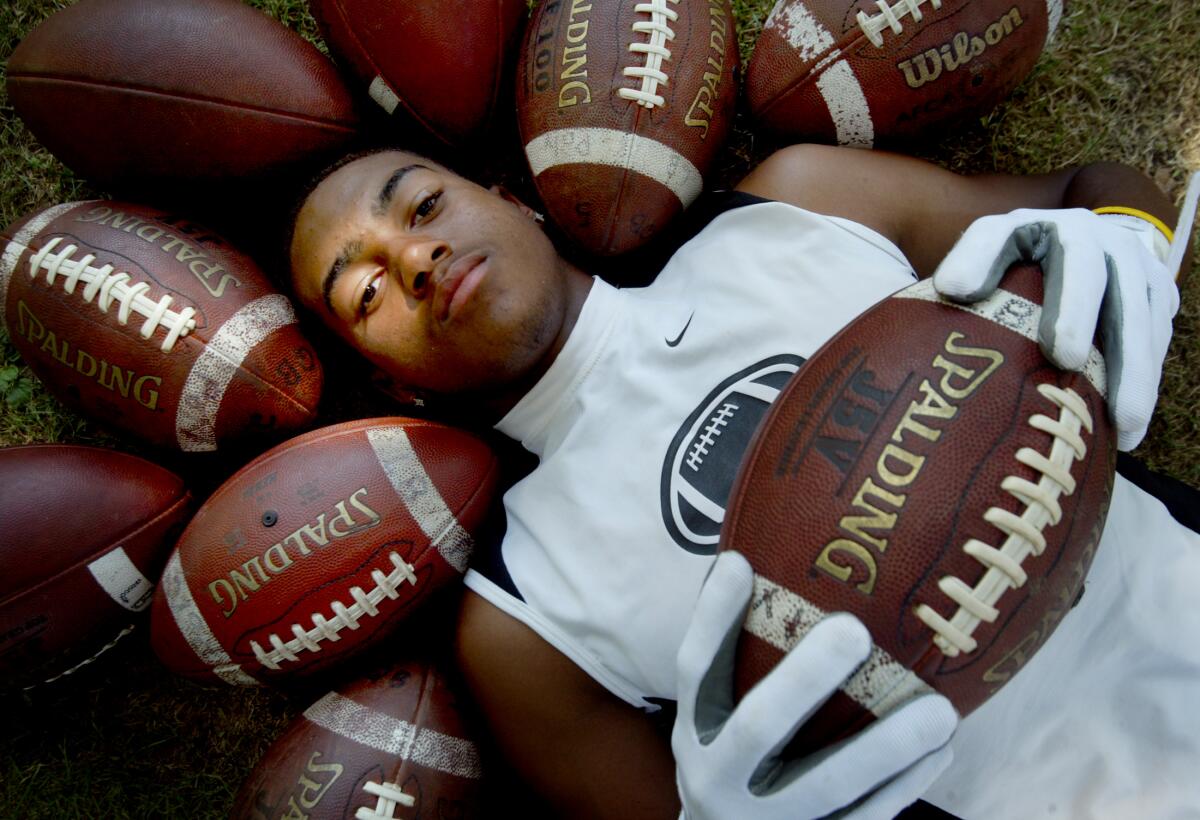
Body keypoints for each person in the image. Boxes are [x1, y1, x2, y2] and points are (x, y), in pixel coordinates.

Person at [287, 143, 1200, 818]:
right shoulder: (521, 622)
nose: (415, 259)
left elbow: (1093, 190)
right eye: (366, 293)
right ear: (389, 384)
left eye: (422, 208)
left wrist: (1123, 240)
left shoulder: (796, 204)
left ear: (511, 200)